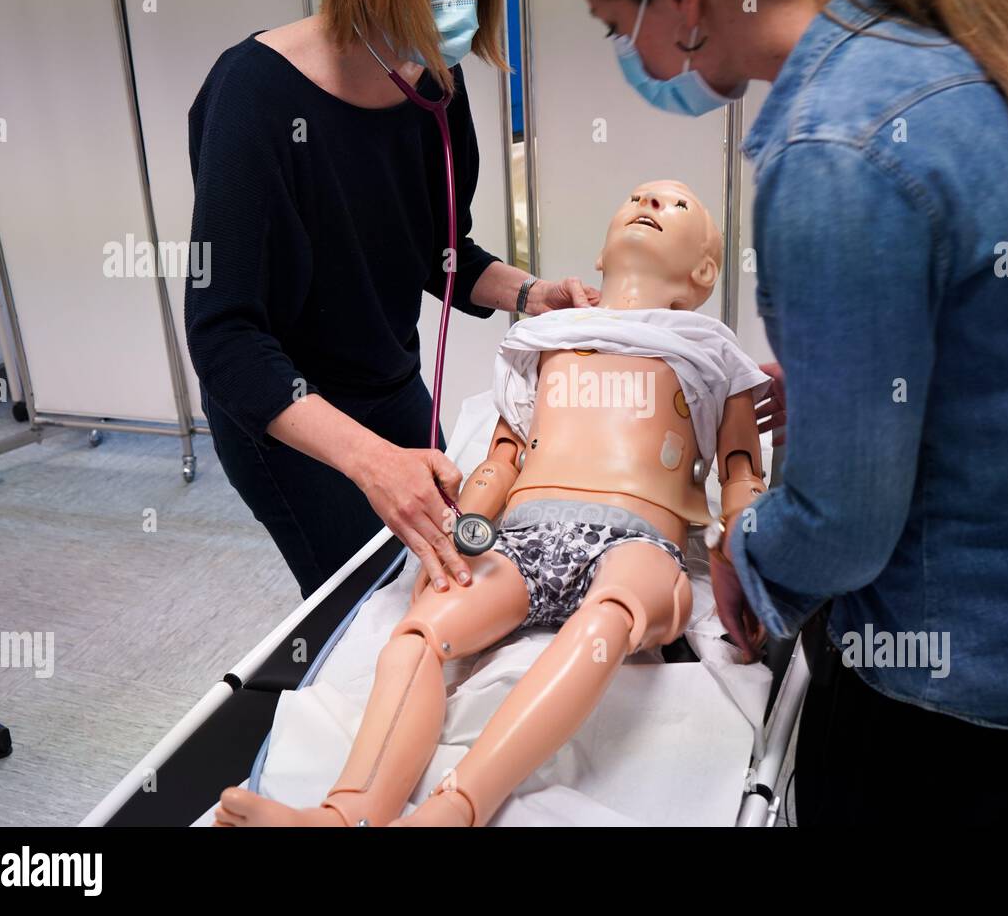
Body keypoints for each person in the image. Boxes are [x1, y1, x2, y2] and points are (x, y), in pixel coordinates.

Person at [565, 0, 1008, 826]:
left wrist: (752, 548)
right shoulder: (944, 50)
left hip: (958, 669)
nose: (637, 63)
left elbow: (840, 529)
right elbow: (1000, 343)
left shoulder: (832, 153)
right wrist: (840, 376)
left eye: (614, 28)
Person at [213, 180, 769, 827]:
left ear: (703, 271)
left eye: (675, 206)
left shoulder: (712, 353)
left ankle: (454, 811)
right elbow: (503, 458)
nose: (649, 205)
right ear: (600, 253)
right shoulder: (546, 341)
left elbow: (740, 472)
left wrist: (742, 542)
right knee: (419, 633)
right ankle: (346, 815)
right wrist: (463, 525)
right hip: (526, 534)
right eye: (637, 198)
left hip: (637, 541)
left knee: (608, 618)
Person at [185, 0, 598, 600]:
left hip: (392, 385)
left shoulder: (435, 86)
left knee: (451, 573)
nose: (460, 2)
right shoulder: (251, 97)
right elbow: (224, 339)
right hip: (291, 415)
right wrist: (372, 463)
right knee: (368, 606)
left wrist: (530, 295)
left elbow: (440, 252)